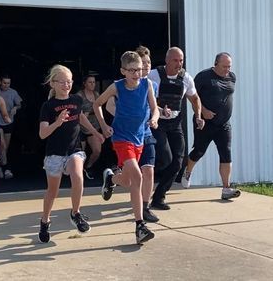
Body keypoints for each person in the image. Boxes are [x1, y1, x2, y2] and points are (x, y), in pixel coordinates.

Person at [93, 51, 159, 244]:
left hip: (139, 138)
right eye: (131, 71)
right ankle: (139, 226)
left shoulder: (147, 85)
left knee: (128, 180)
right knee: (137, 177)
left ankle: (111, 178)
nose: (136, 74)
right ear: (123, 71)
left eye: (138, 70)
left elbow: (154, 107)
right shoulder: (117, 87)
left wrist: (154, 118)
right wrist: (104, 126)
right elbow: (97, 104)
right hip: (122, 139)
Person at [38, 64, 104, 243]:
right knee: (53, 191)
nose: (66, 85)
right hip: (54, 154)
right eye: (62, 82)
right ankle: (45, 221)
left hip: (74, 150)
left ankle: (75, 213)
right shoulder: (48, 106)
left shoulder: (76, 100)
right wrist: (57, 122)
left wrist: (96, 132)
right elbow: (43, 133)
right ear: (53, 83)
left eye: (69, 82)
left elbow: (81, 117)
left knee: (77, 175)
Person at [148, 47, 205, 210]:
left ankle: (158, 198)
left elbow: (195, 99)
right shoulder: (153, 75)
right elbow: (144, 97)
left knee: (178, 163)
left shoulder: (186, 78)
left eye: (181, 60)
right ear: (167, 60)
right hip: (157, 123)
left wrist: (199, 116)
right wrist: (158, 109)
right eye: (175, 60)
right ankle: (142, 173)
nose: (179, 64)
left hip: (175, 123)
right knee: (165, 158)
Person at [181, 52, 240, 200]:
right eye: (224, 66)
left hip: (224, 124)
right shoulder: (204, 76)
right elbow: (193, 96)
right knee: (199, 151)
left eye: (229, 66)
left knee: (226, 153)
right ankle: (187, 171)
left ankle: (226, 188)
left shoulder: (232, 77)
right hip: (205, 123)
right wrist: (203, 112)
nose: (227, 70)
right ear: (216, 64)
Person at [0, 74, 22, 179]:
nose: (6, 85)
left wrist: (16, 108)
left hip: (8, 121)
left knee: (5, 147)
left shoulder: (13, 92)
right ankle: (5, 168)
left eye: (8, 83)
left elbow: (19, 104)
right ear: (0, 82)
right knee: (2, 145)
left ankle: (0, 166)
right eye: (4, 83)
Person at [76, 75, 102, 179]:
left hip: (94, 126)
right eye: (90, 82)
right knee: (81, 151)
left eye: (94, 82)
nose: (92, 84)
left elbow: (100, 110)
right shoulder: (79, 96)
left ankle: (88, 166)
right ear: (85, 83)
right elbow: (77, 112)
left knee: (97, 150)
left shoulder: (96, 94)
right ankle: (79, 170)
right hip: (81, 126)